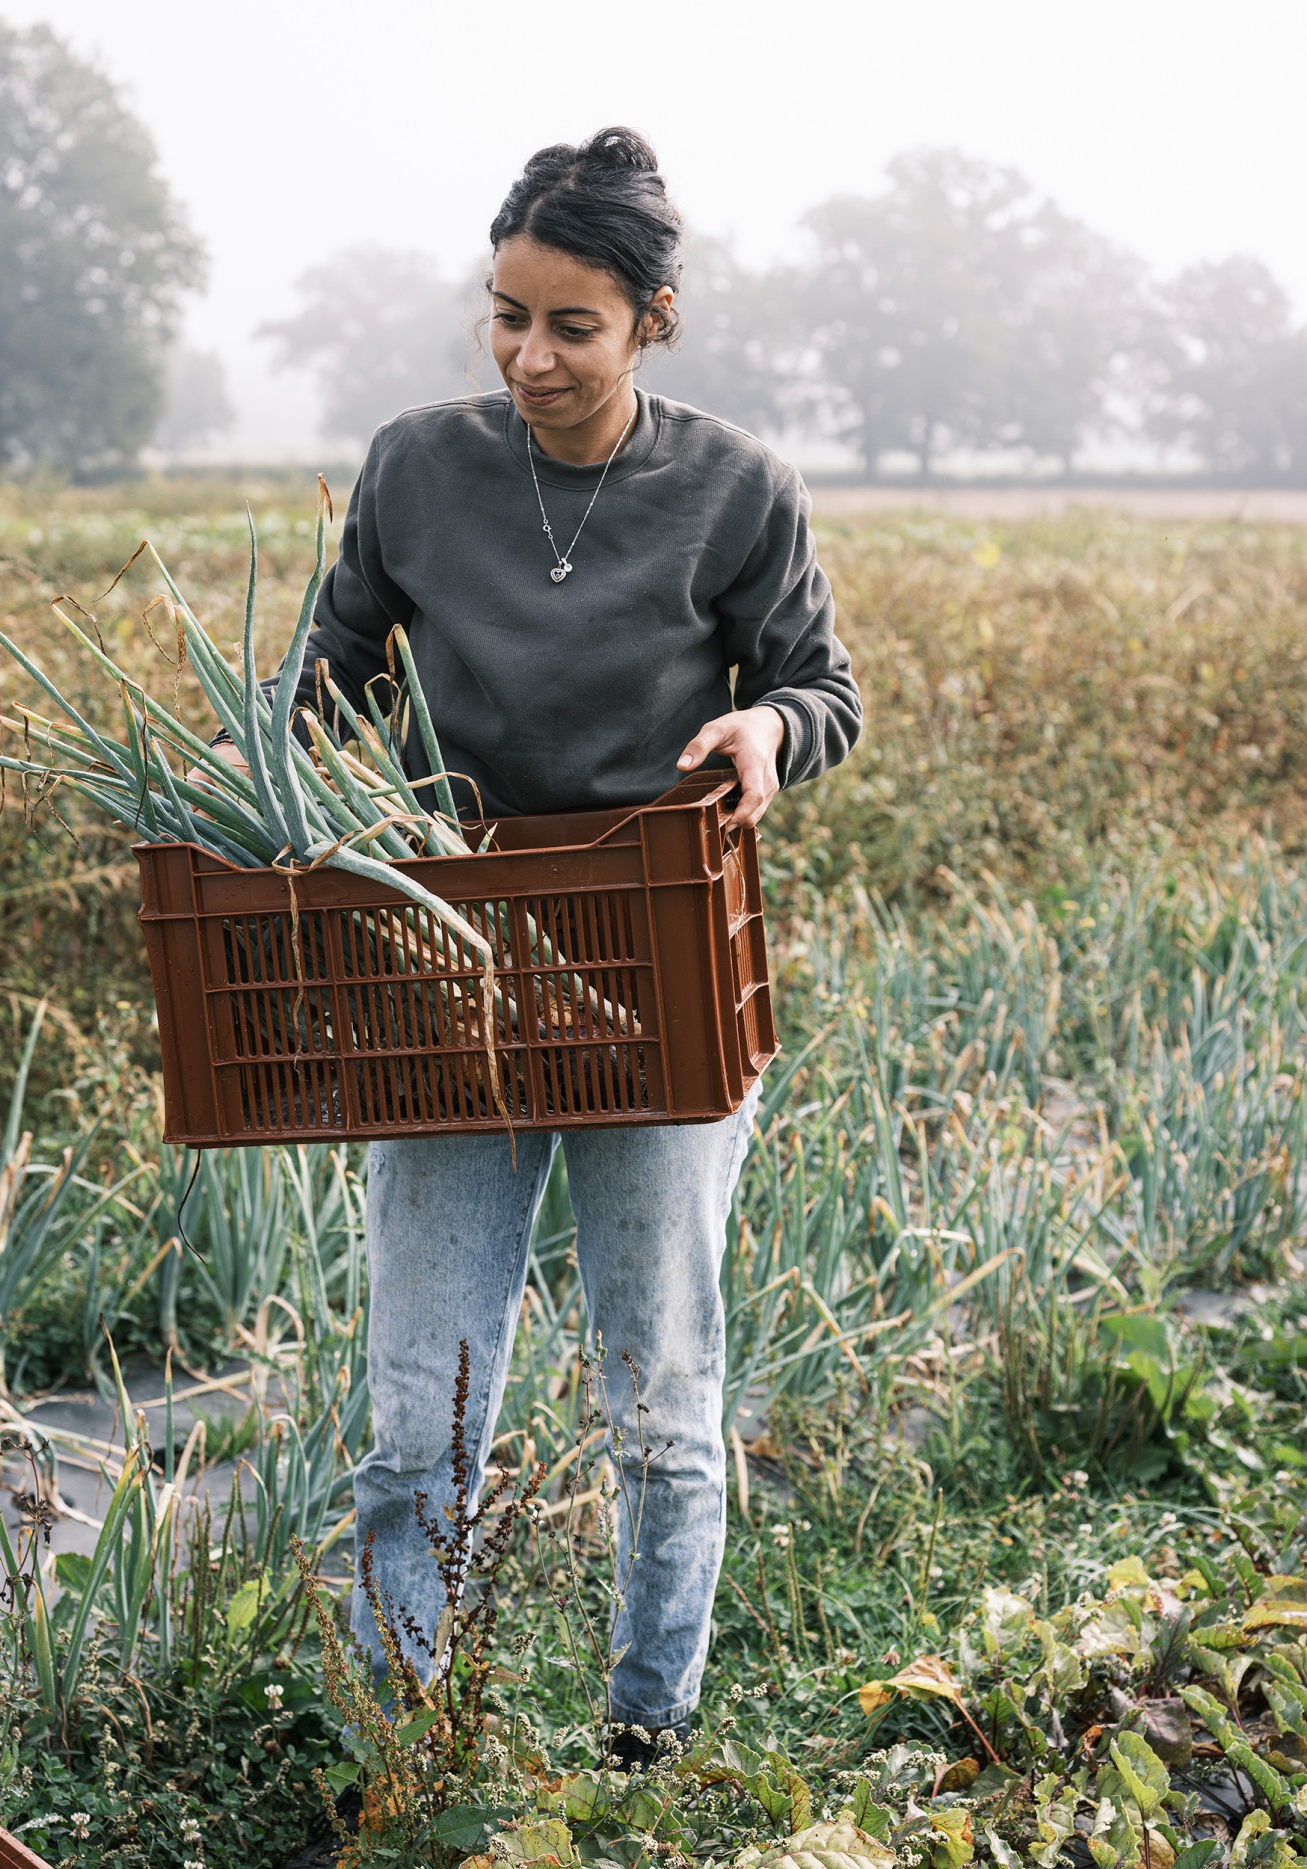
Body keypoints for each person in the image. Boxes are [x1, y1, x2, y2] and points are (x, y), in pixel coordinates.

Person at [218, 126, 860, 1767]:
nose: (528, 356)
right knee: (416, 1411)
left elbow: (823, 690)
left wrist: (769, 737)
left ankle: (646, 1730)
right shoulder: (417, 467)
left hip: (654, 968)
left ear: (652, 318)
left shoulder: (736, 490)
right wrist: (289, 783)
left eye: (571, 325)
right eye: (505, 314)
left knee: (659, 1396)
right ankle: (399, 1742)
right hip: (452, 972)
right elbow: (330, 677)